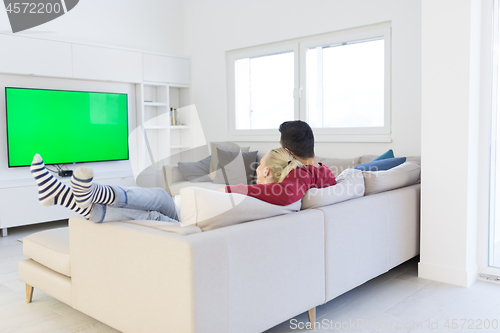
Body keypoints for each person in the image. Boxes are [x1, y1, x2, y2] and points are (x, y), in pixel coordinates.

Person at [30, 147, 302, 223]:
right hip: (181, 211)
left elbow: (230, 191)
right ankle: (69, 194)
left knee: (151, 210)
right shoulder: (284, 197)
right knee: (159, 195)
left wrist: (225, 190)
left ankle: (70, 195)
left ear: (264, 169)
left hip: (181, 222)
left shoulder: (254, 193)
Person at [224, 120, 337, 205]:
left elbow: (286, 195)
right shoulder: (326, 171)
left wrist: (233, 189)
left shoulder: (302, 173)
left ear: (286, 151)